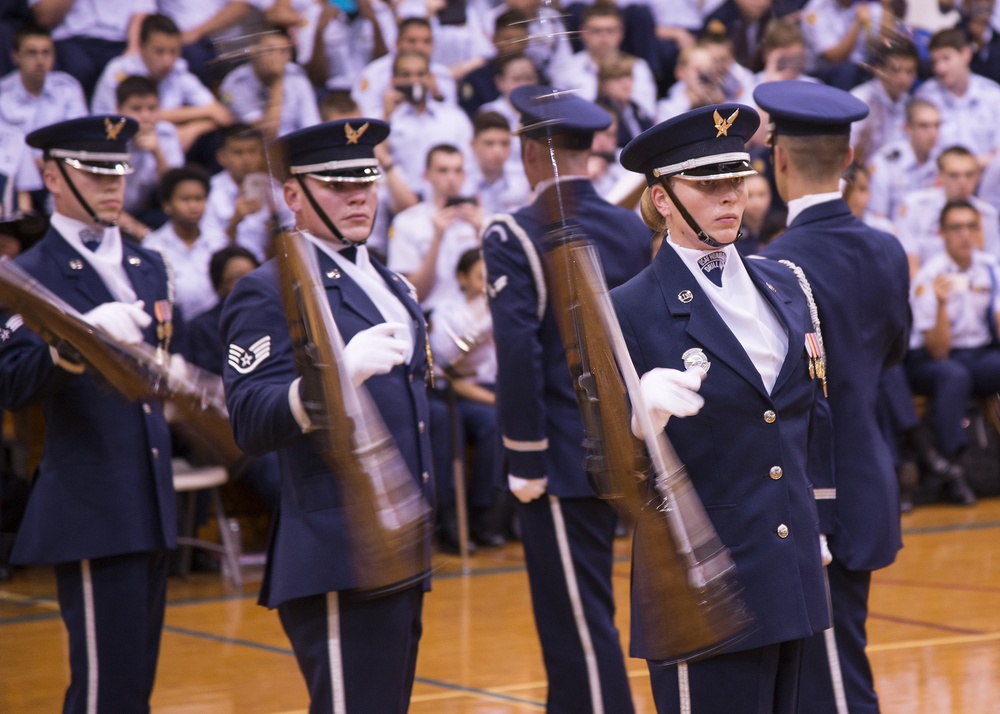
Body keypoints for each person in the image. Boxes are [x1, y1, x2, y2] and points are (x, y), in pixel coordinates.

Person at [612, 101, 830, 714]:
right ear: (661, 200)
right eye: (707, 186)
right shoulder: (627, 310)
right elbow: (599, 468)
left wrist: (819, 520)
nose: (729, 197)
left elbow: (811, 412)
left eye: (735, 180)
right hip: (701, 588)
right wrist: (635, 423)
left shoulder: (786, 282)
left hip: (789, 572)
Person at [220, 118, 435, 713]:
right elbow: (250, 417)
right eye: (337, 184)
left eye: (366, 180)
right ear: (294, 195)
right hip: (335, 549)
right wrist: (334, 375)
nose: (359, 195)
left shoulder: (391, 282)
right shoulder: (269, 289)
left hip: (399, 544)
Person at [0, 114, 178, 713]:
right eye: (93, 171)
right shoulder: (27, 274)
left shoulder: (146, 264)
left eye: (118, 172)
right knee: (105, 693)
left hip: (151, 497)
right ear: (50, 175)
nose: (112, 185)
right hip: (94, 502)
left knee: (135, 689)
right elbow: (11, 382)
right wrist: (72, 342)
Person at [482, 84, 648, 713]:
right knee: (585, 613)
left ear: (529, 151)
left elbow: (519, 356)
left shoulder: (515, 232)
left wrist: (524, 459)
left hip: (558, 457)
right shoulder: (627, 229)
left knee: (575, 623)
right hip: (624, 446)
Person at [755, 80, 910, 714]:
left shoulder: (772, 266)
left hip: (809, 496)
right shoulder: (888, 250)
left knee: (833, 688)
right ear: (848, 158)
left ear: (779, 159)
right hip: (866, 476)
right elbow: (893, 353)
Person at [906, 198, 997, 505]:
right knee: (953, 375)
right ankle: (952, 468)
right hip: (931, 359)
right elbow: (938, 350)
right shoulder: (930, 276)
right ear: (942, 234)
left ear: (981, 231)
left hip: (978, 353)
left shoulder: (991, 269)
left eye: (971, 227)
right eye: (956, 228)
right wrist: (942, 304)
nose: (965, 235)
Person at [90, 13, 232, 152]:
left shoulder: (178, 71)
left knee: (215, 139)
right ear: (141, 46)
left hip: (165, 144)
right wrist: (203, 112)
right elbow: (122, 121)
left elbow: (223, 115)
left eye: (173, 52)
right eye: (159, 51)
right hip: (117, 144)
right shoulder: (120, 71)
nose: (167, 61)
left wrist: (193, 129)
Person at [387, 143, 481, 313]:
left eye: (457, 170)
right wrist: (437, 238)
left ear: (465, 175)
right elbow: (413, 292)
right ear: (426, 175)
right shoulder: (407, 222)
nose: (451, 178)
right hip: (430, 317)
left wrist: (481, 234)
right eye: (443, 170)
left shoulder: (479, 219)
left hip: (479, 315)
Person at [894, 145, 1000, 276]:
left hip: (975, 289)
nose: (963, 182)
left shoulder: (987, 214)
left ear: (978, 176)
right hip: (926, 286)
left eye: (969, 175)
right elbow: (910, 265)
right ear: (940, 176)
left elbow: (993, 266)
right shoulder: (915, 206)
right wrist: (930, 294)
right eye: (954, 175)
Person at [144, 165, 228, 321]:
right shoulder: (152, 247)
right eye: (185, 199)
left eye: (199, 198)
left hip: (215, 327)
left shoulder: (219, 241)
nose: (193, 206)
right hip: (175, 328)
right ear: (167, 205)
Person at [218, 26, 321, 141]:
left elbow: (311, 127)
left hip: (297, 146)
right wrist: (277, 81)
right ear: (253, 51)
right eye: (270, 50)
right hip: (255, 152)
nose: (277, 58)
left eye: (284, 51)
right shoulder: (235, 84)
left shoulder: (296, 76)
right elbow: (266, 136)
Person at [915, 27, 1000, 167]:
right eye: (935, 62)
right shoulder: (925, 97)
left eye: (946, 58)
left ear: (966, 54)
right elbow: (920, 152)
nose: (939, 68)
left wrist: (970, 167)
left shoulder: (994, 96)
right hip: (940, 180)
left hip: (988, 180)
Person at [0, 22, 87, 140]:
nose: (40, 61)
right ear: (15, 56)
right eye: (32, 53)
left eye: (46, 52)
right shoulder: (3, 94)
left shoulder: (68, 88)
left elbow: (79, 137)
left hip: (59, 158)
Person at [866, 98, 941, 221]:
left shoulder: (942, 161)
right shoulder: (886, 162)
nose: (932, 133)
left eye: (937, 125)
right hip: (893, 234)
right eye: (924, 126)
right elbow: (877, 217)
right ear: (907, 128)